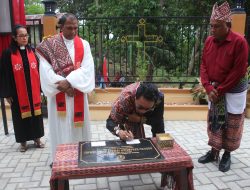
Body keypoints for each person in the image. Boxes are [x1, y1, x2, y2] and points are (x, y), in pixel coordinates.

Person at [36, 13, 95, 162]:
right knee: (59, 127)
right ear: (61, 27)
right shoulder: (49, 45)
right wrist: (63, 86)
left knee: (78, 128)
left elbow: (87, 69)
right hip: (58, 96)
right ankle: (60, 159)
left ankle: (82, 156)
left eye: (76, 28)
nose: (73, 31)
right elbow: (46, 71)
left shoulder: (84, 44)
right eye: (69, 28)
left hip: (77, 94)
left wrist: (68, 82)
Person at [198, 1, 248, 172]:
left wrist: (219, 90)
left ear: (228, 25)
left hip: (233, 89)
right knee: (215, 119)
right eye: (211, 26)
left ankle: (227, 153)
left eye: (216, 26)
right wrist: (208, 87)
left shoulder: (240, 42)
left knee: (232, 121)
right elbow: (203, 65)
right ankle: (214, 151)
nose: (212, 30)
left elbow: (238, 71)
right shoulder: (209, 41)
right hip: (215, 90)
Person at [0, 25, 45, 152]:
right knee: (20, 117)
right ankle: (23, 142)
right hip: (17, 92)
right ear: (14, 38)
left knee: (36, 115)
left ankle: (37, 139)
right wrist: (7, 93)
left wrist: (41, 89)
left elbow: (38, 71)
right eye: (21, 36)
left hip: (33, 90)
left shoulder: (32, 51)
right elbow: (4, 74)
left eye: (26, 35)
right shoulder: (8, 53)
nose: (25, 38)